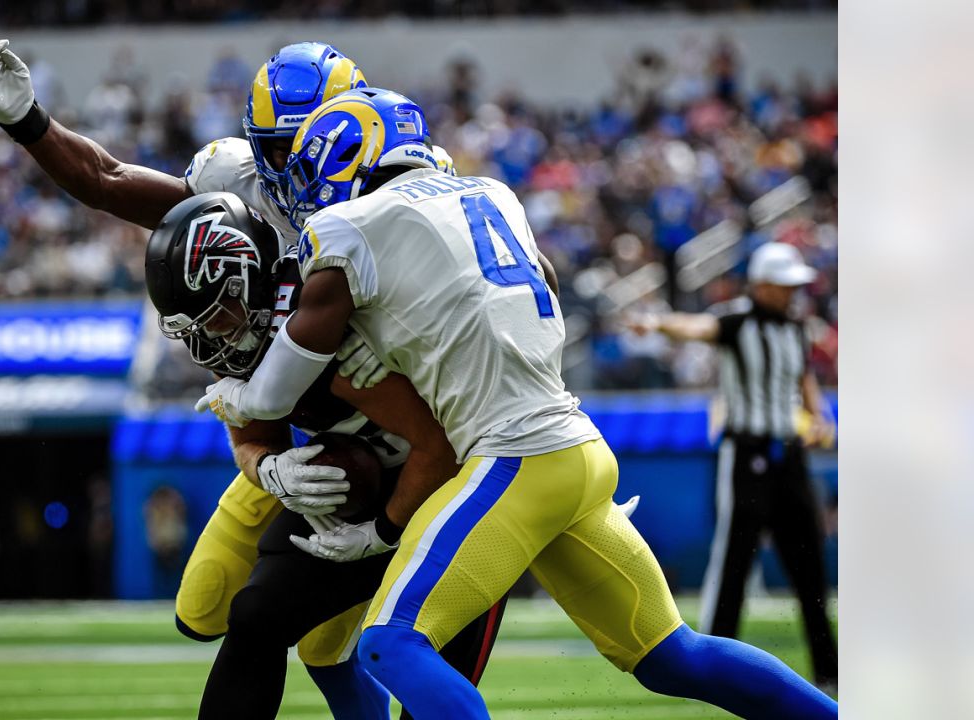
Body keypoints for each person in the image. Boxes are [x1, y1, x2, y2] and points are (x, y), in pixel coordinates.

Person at [195, 88, 837, 718]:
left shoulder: (351, 226)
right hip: (577, 448)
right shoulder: (495, 195)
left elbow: (276, 391)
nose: (309, 193)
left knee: (389, 644)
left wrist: (234, 394)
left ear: (349, 155)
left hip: (512, 458)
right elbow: (529, 296)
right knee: (675, 657)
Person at [0, 42, 463, 716]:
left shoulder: (401, 193)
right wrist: (29, 120)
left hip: (429, 436)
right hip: (310, 432)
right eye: (285, 145)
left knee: (379, 638)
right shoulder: (241, 191)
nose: (305, 159)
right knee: (219, 606)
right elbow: (110, 181)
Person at [147, 192, 511, 719]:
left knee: (415, 665)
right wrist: (268, 468)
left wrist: (382, 532)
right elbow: (254, 436)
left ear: (244, 279)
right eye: (196, 325)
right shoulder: (249, 327)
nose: (208, 339)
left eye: (216, 317)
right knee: (255, 615)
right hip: (362, 487)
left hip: (460, 488)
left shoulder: (331, 313)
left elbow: (439, 447)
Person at [626, 240, 838, 688]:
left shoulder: (794, 328)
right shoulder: (739, 320)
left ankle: (828, 667)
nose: (790, 294)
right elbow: (699, 327)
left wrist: (819, 416)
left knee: (809, 562)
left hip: (790, 454)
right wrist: (658, 323)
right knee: (737, 556)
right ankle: (713, 662)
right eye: (782, 286)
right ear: (761, 285)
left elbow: (803, 379)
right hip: (748, 453)